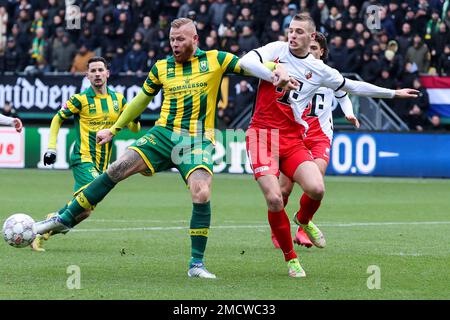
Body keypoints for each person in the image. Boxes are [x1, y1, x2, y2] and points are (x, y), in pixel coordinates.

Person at [33, 18, 293, 278]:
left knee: (201, 192)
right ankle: (64, 218)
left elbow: (249, 65)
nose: (175, 44)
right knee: (116, 168)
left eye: (180, 39)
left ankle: (196, 265)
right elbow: (139, 102)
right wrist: (114, 129)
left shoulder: (216, 59)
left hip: (196, 139)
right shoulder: (162, 67)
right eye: (171, 39)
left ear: (195, 40)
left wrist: (276, 69)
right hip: (162, 135)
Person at [239, 13, 419, 277]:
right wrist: (275, 71)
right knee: (275, 197)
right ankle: (291, 259)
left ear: (312, 37)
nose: (292, 35)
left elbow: (352, 86)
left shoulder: (320, 71)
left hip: (291, 136)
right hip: (261, 134)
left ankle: (302, 220)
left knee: (317, 188)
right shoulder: (276, 51)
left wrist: (392, 93)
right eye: (291, 30)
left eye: (299, 31)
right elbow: (244, 62)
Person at [31, 56, 141, 252]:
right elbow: (57, 118)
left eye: (101, 70)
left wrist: (134, 117)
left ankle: (46, 227)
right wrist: (51, 148)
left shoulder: (119, 100)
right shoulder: (80, 99)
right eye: (93, 71)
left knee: (85, 212)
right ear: (87, 75)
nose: (97, 74)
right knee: (86, 204)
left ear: (108, 73)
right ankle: (43, 230)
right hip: (83, 158)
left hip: (102, 162)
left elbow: (134, 128)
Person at [273, 32, 359, 249]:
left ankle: (302, 227)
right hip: (294, 134)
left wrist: (348, 112)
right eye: (307, 47)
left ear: (322, 51)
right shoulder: (293, 71)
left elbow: (344, 96)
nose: (309, 51)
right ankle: (278, 228)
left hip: (319, 136)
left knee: (315, 183)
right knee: (284, 189)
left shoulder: (328, 75)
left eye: (314, 48)